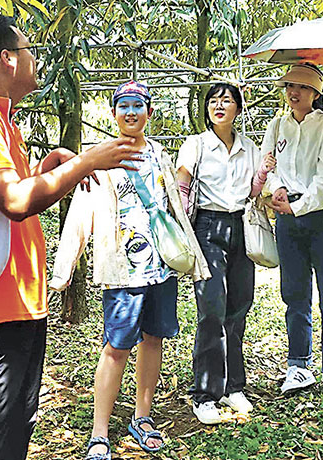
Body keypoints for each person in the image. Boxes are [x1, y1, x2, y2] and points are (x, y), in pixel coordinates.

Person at [0, 15, 141, 460]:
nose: (36, 60)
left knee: (12, 431)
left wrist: (47, 168)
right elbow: (15, 202)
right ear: (7, 60)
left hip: (17, 302)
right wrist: (86, 162)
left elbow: (9, 193)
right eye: (29, 51)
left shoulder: (3, 122)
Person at [51, 80, 210, 460]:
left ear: (149, 113)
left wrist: (194, 257)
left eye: (138, 106)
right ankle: (99, 431)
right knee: (116, 347)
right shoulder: (100, 157)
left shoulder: (159, 154)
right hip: (123, 269)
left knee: (153, 340)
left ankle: (143, 416)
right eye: (124, 106)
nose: (131, 113)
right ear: (113, 113)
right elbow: (80, 211)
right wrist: (64, 267)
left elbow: (174, 207)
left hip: (161, 268)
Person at [176, 83, 270, 424]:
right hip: (207, 228)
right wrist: (182, 230)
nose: (219, 105)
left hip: (240, 225)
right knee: (211, 308)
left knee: (240, 306)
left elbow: (255, 190)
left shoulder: (249, 147)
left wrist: (264, 174)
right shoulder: (196, 144)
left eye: (227, 100)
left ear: (238, 108)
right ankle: (204, 393)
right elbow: (181, 185)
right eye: (213, 101)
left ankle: (234, 386)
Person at [260, 64, 323, 398]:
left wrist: (297, 205)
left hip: (319, 219)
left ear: (315, 93)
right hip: (286, 218)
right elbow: (267, 164)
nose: (293, 92)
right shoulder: (277, 124)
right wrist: (276, 188)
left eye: (301, 87)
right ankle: (298, 365)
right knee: (294, 294)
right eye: (289, 86)